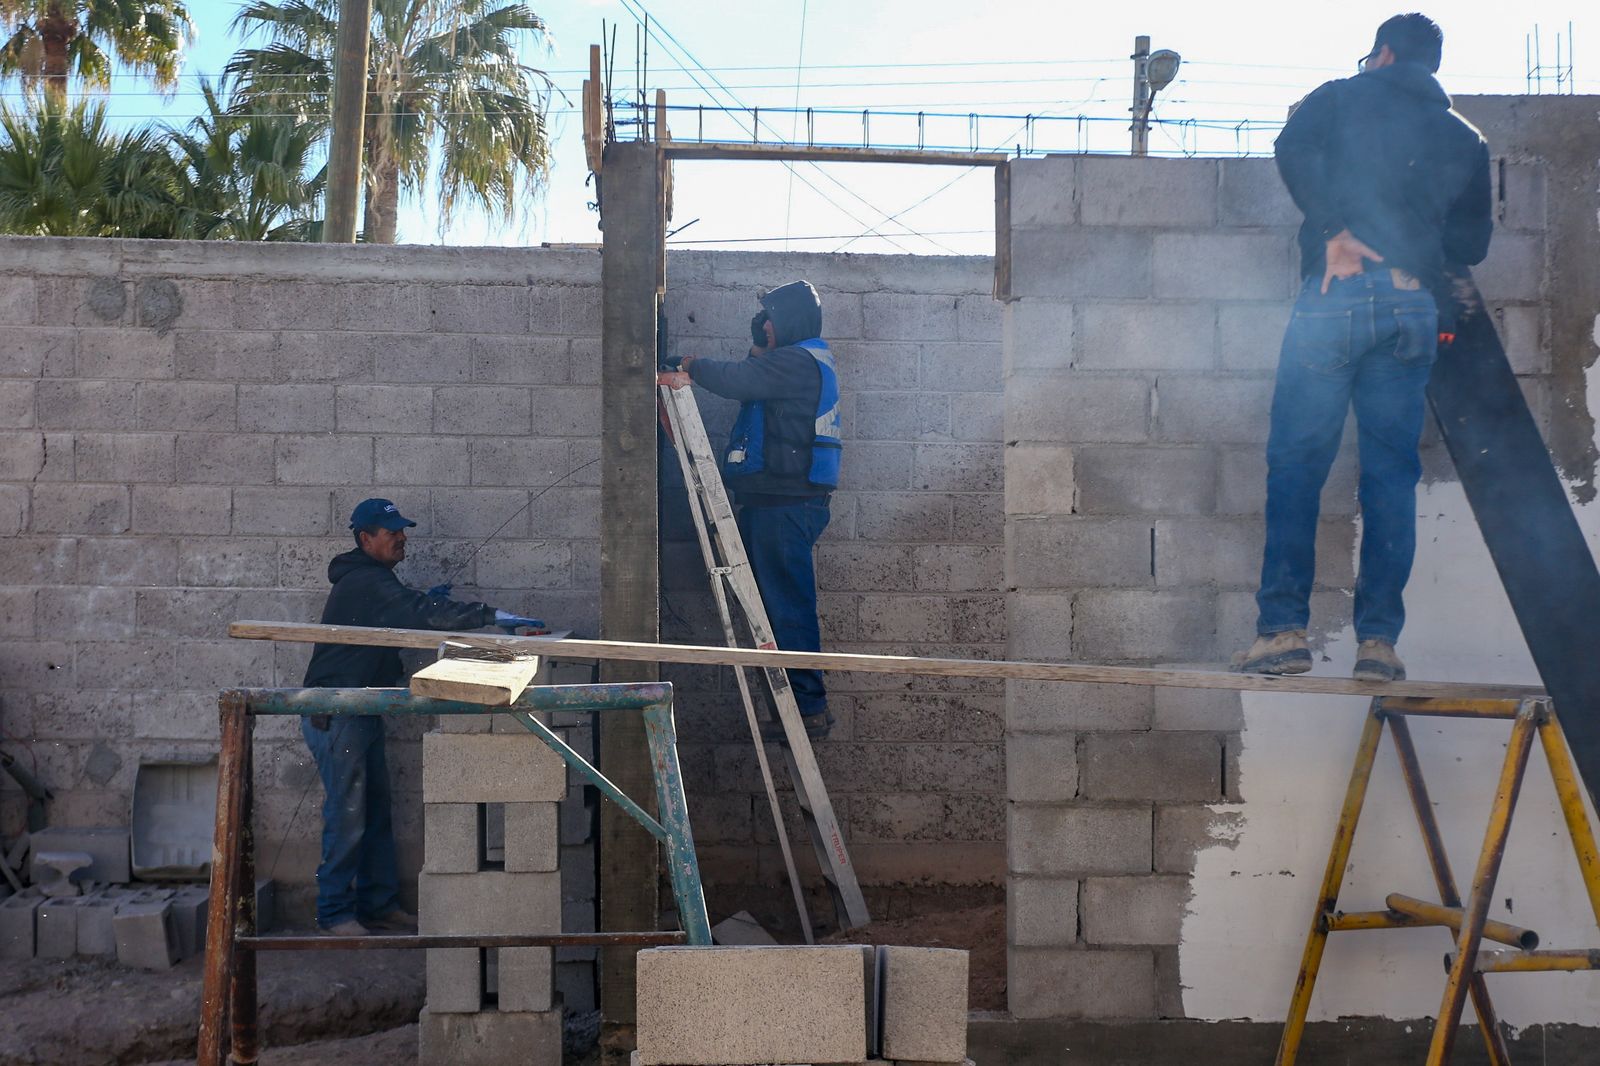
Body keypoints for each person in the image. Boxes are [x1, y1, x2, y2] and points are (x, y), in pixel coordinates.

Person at [1239, 13, 1492, 682]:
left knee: (1296, 466)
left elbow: (1292, 147)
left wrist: (1335, 230)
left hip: (1336, 294)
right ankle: (1378, 643)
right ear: (1430, 66)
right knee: (1390, 477)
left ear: (1382, 54)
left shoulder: (1338, 97)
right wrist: (1415, 245)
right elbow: (1471, 245)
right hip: (1411, 307)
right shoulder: (1464, 137)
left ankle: (1282, 633)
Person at [302, 497, 539, 936]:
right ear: (365, 538)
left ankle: (378, 905)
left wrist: (425, 603)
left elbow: (406, 609)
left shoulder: (374, 580)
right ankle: (335, 913)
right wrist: (493, 617)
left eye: (402, 531)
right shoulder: (365, 580)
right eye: (391, 533)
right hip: (336, 711)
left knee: (374, 812)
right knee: (347, 815)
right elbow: (418, 613)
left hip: (359, 709)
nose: (401, 539)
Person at [659, 281, 842, 739]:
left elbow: (739, 379)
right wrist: (761, 343)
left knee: (787, 607)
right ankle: (800, 707)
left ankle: (807, 709)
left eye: (770, 320)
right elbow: (756, 374)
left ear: (789, 320)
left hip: (785, 508)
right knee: (778, 608)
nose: (765, 327)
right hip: (779, 503)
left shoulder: (797, 362)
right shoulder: (799, 360)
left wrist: (689, 365)